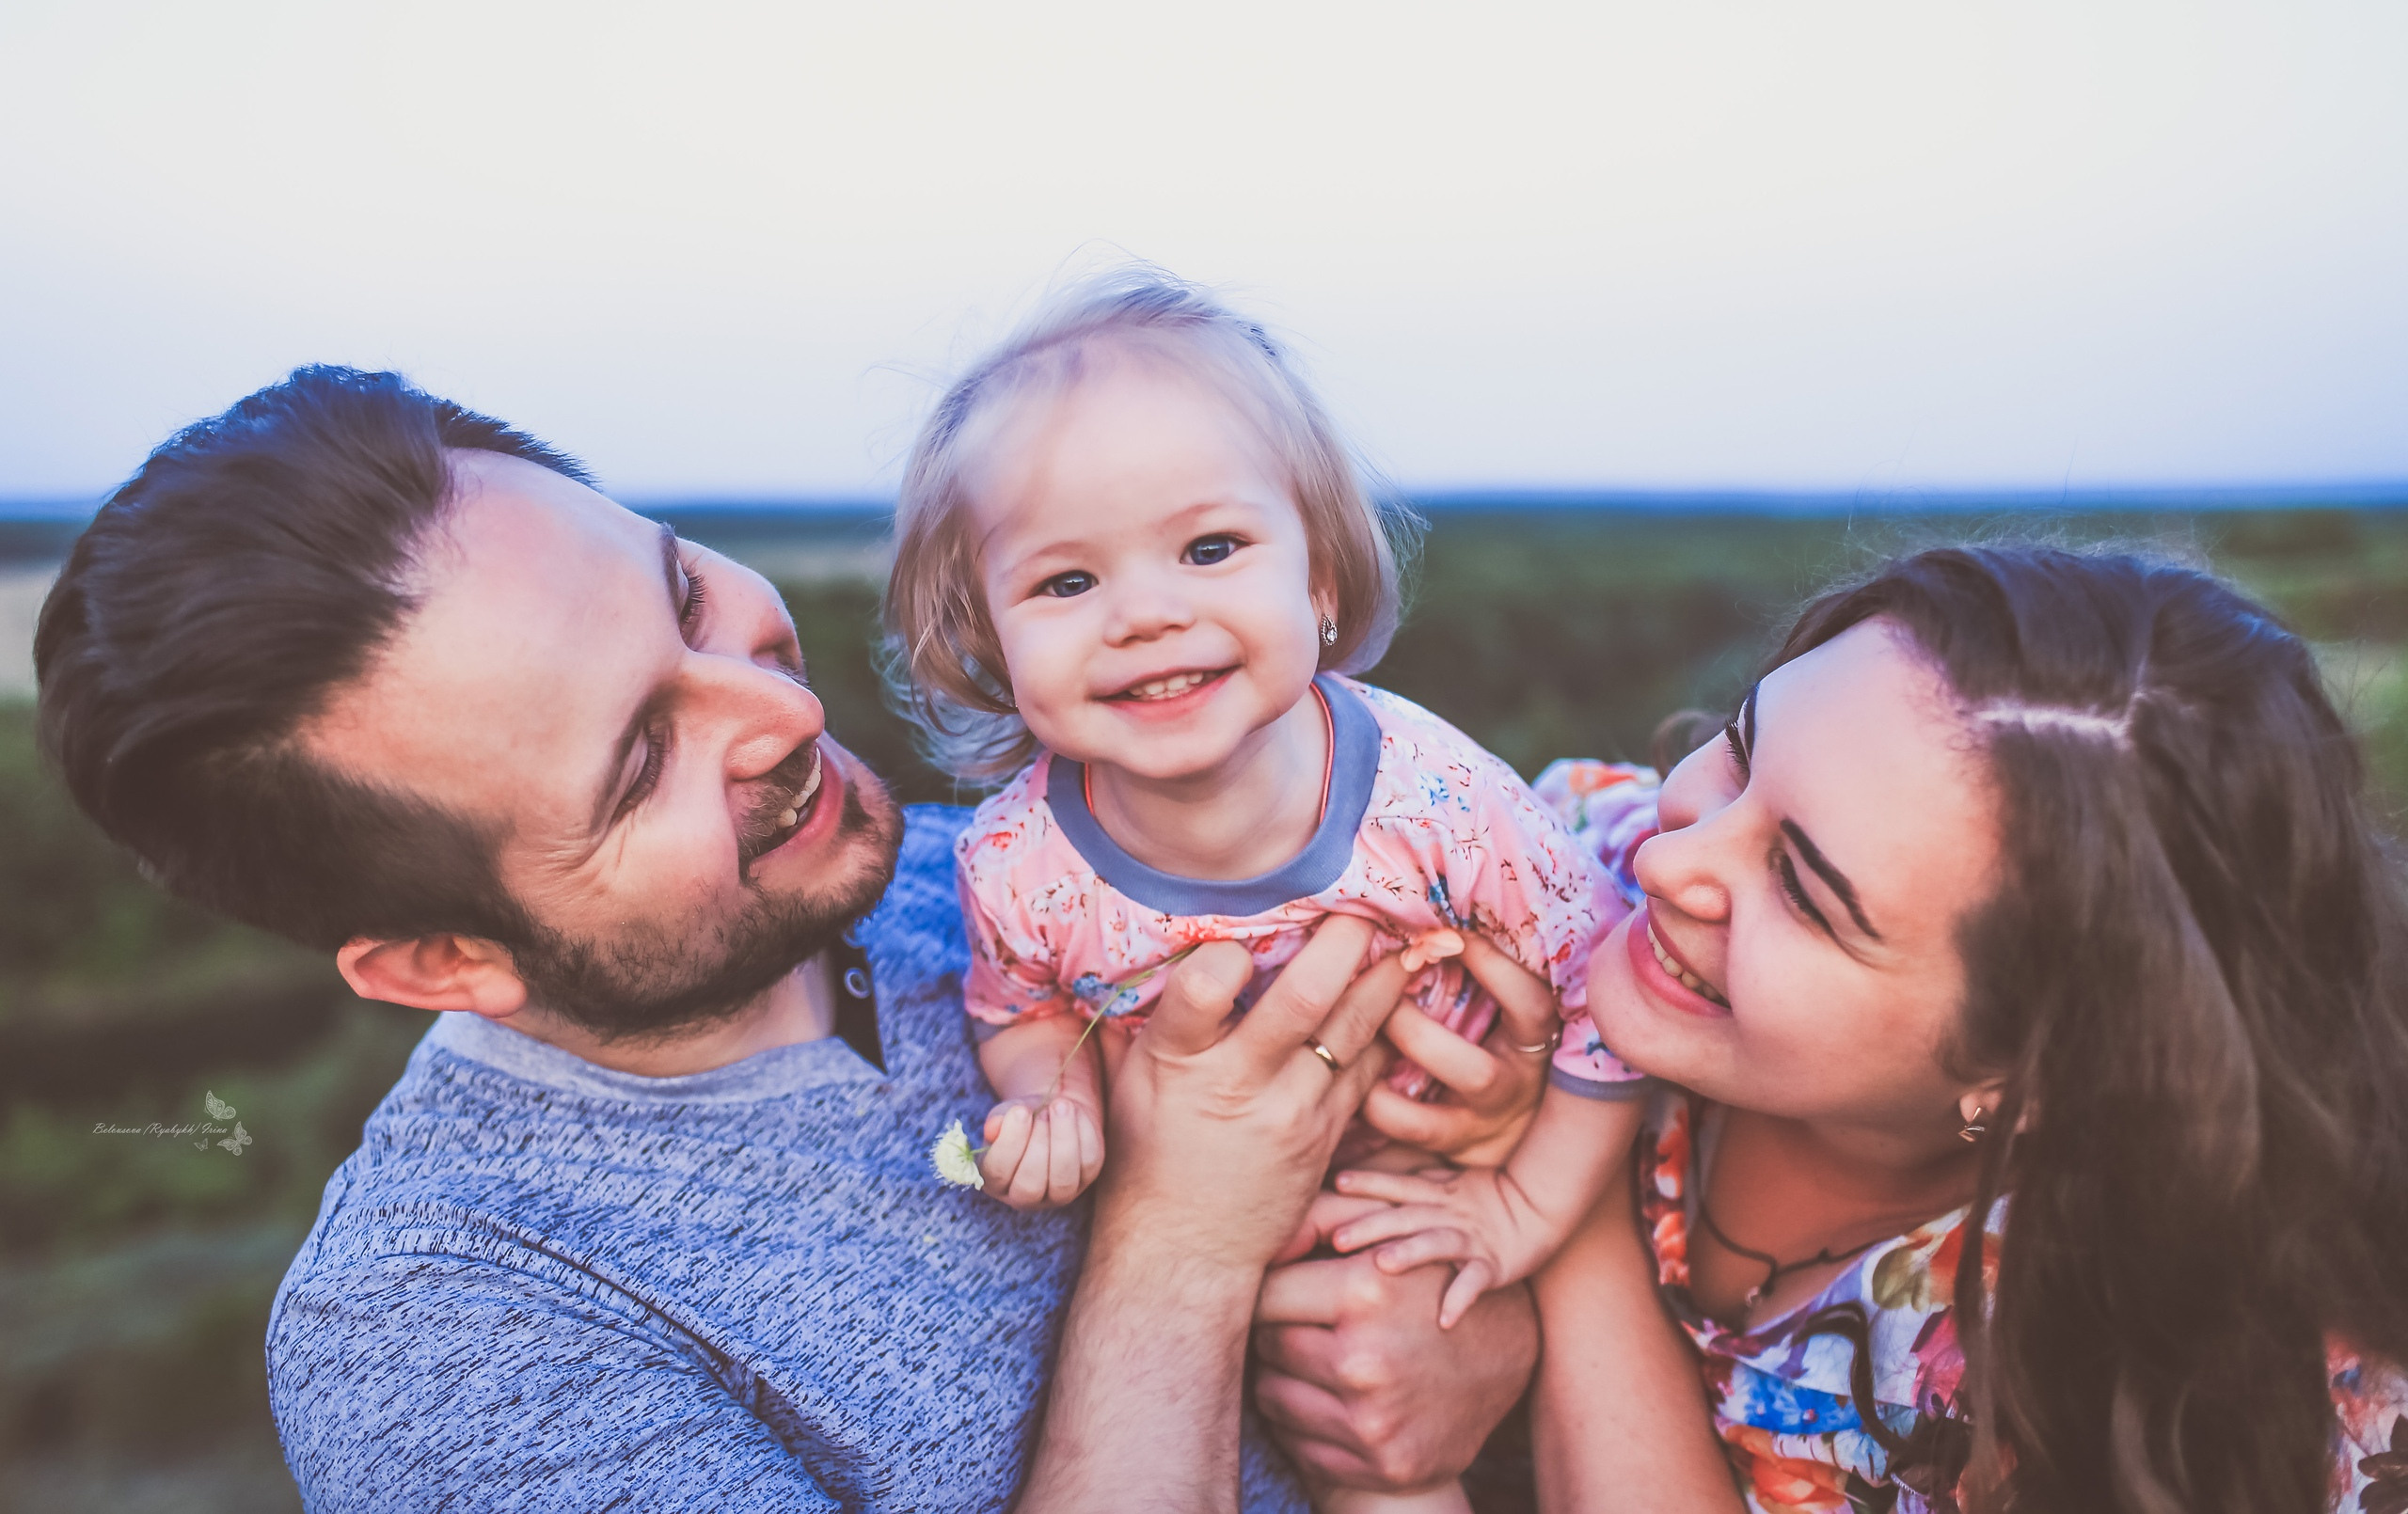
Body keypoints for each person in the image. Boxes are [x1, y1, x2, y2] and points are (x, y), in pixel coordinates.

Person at [31, 366, 1540, 1512]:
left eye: (686, 594)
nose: (791, 714)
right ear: (442, 962)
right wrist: (1181, 1247)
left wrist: (1490, 1300)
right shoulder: (447, 1332)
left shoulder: (1027, 882)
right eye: (638, 762)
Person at [1374, 544, 2408, 1513]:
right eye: (1738, 750)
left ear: (2036, 1074)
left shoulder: (2155, 1371)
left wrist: (1565, 1186)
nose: (1661, 860)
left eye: (1802, 890)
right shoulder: (1531, 865)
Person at [881, 274, 1650, 1273]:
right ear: (988, 637)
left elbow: (1607, 987)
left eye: (1210, 548)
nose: (1145, 614)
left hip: (1449, 1187)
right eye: (1067, 580)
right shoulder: (1015, 866)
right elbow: (1020, 1010)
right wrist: (1048, 1100)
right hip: (1219, 1237)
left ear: (1318, 577)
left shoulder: (1442, 804)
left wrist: (1522, 1210)